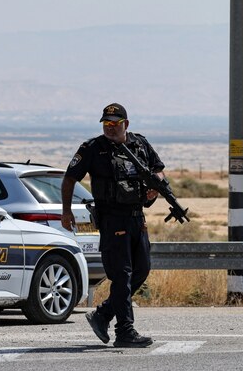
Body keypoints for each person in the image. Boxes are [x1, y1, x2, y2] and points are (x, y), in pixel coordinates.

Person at [61, 103, 165, 348]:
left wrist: (155, 188)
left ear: (125, 124)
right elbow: (69, 178)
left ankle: (103, 314)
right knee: (122, 274)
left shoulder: (139, 144)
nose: (110, 128)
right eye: (106, 124)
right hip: (112, 218)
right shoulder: (92, 148)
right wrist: (66, 211)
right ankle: (125, 331)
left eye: (114, 124)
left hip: (136, 217)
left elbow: (158, 170)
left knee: (141, 270)